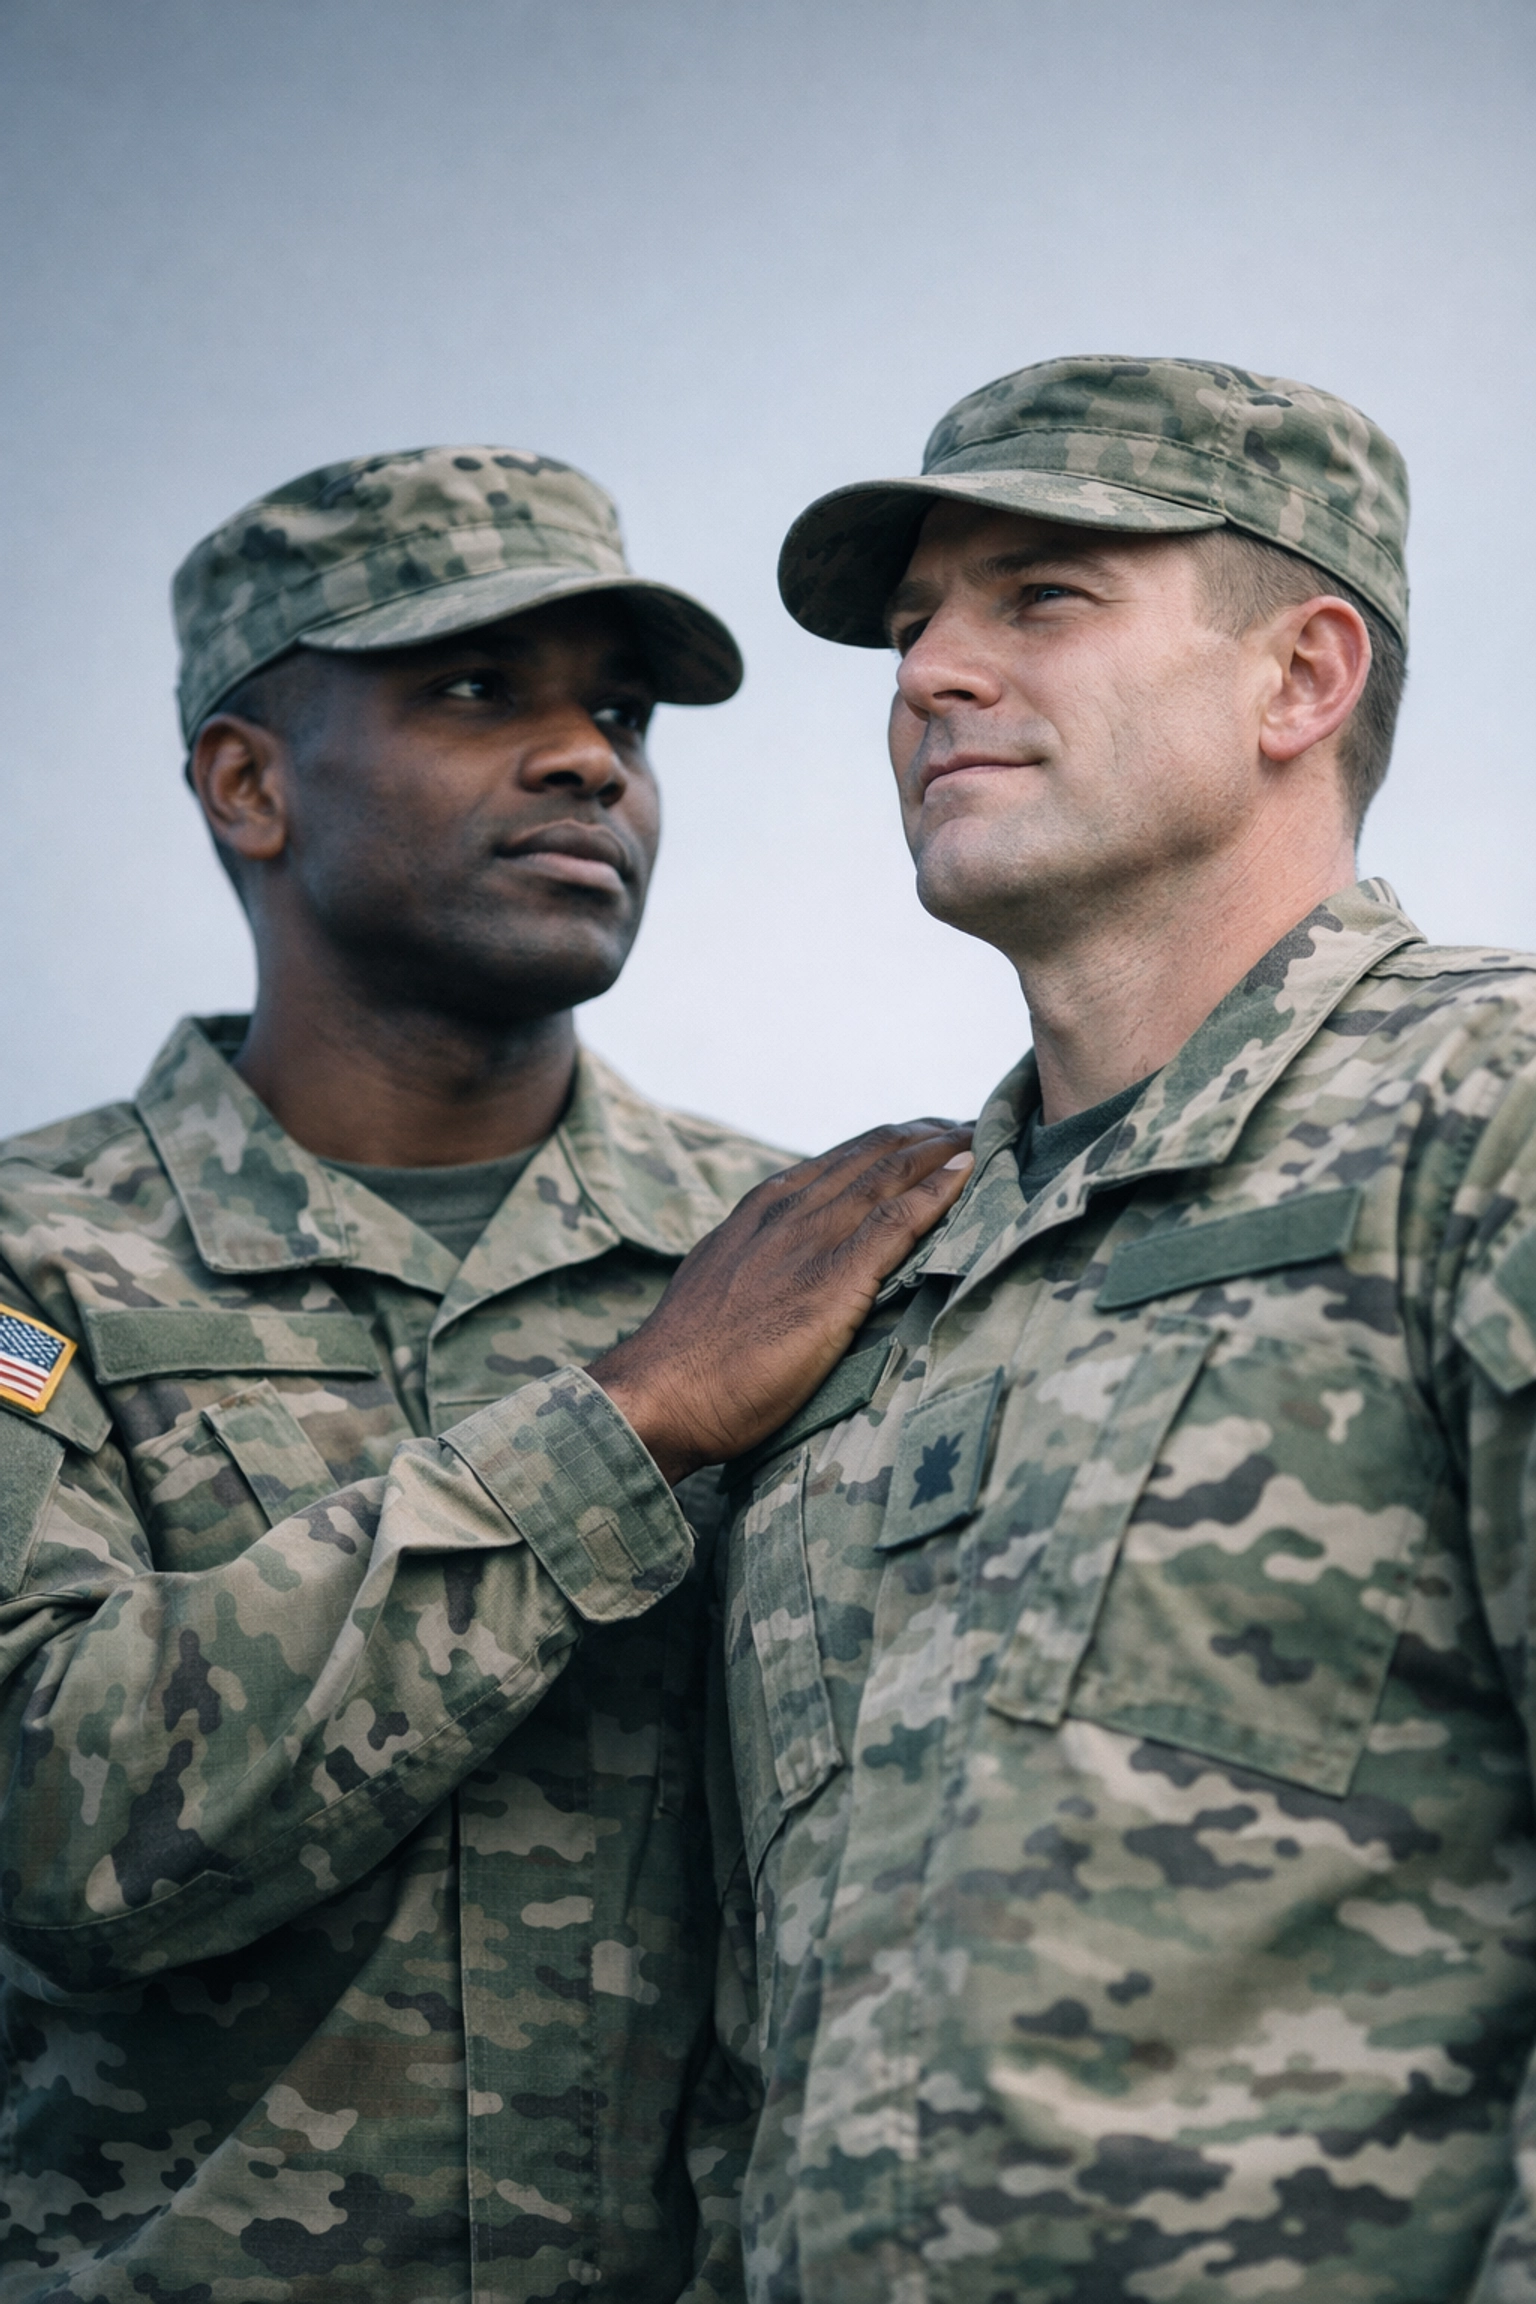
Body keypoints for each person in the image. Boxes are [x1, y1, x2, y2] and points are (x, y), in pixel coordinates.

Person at [576, 357, 1536, 2300]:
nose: (929, 675)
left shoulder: (1483, 1117)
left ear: (1303, 678)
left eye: (1043, 598)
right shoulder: (861, 1304)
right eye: (919, 623)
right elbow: (760, 2079)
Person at [0, 444, 973, 2304]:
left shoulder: (799, 1252)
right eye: (474, 692)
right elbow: (61, 1822)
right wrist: (628, 1428)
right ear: (250, 783)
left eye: (618, 710)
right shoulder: (40, 1263)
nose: (590, 758)